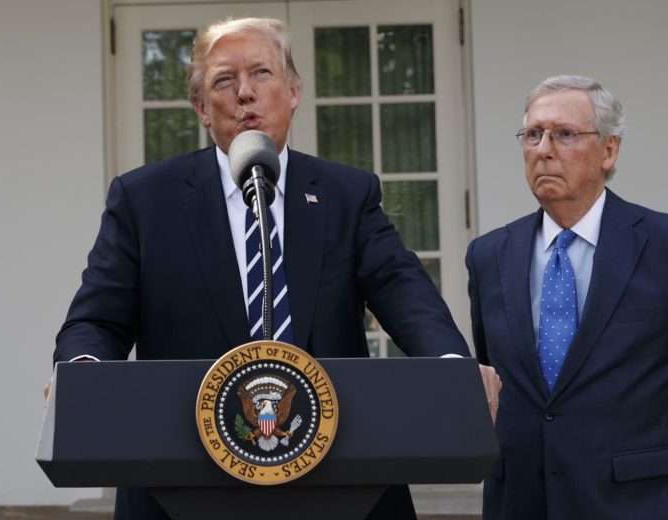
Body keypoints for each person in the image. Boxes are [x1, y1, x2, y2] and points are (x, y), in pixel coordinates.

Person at [51, 17, 501, 520]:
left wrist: (450, 367)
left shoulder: (347, 194)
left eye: (262, 74)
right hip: (181, 485)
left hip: (341, 478)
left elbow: (403, 291)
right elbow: (97, 320)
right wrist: (82, 375)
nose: (246, 93)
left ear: (293, 92)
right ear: (201, 108)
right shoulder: (144, 199)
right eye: (224, 80)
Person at [466, 75, 668, 519]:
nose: (543, 149)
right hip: (521, 501)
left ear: (609, 150)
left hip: (643, 502)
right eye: (533, 134)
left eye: (565, 134)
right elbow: (499, 380)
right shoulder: (488, 255)